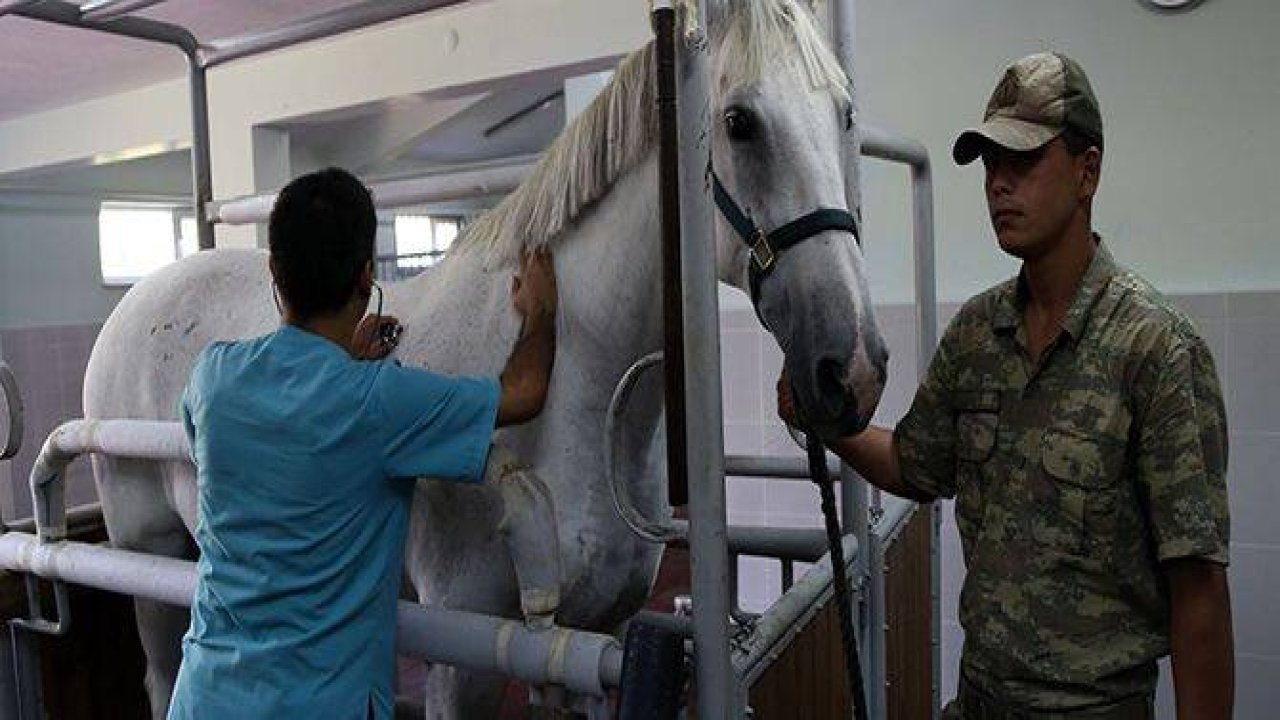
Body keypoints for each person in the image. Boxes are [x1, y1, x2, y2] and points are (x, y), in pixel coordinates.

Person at [778, 52, 1233, 719]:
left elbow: (1199, 589)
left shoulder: (1156, 350)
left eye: (1023, 161)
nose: (998, 184)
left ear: (1087, 171)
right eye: (992, 164)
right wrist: (826, 421)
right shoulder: (977, 332)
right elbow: (913, 464)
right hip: (980, 700)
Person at [167, 167, 558, 719]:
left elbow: (241, 441)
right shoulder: (380, 401)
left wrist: (341, 363)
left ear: (274, 269)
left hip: (204, 698)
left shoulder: (214, 374)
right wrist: (540, 313)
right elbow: (525, 391)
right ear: (366, 274)